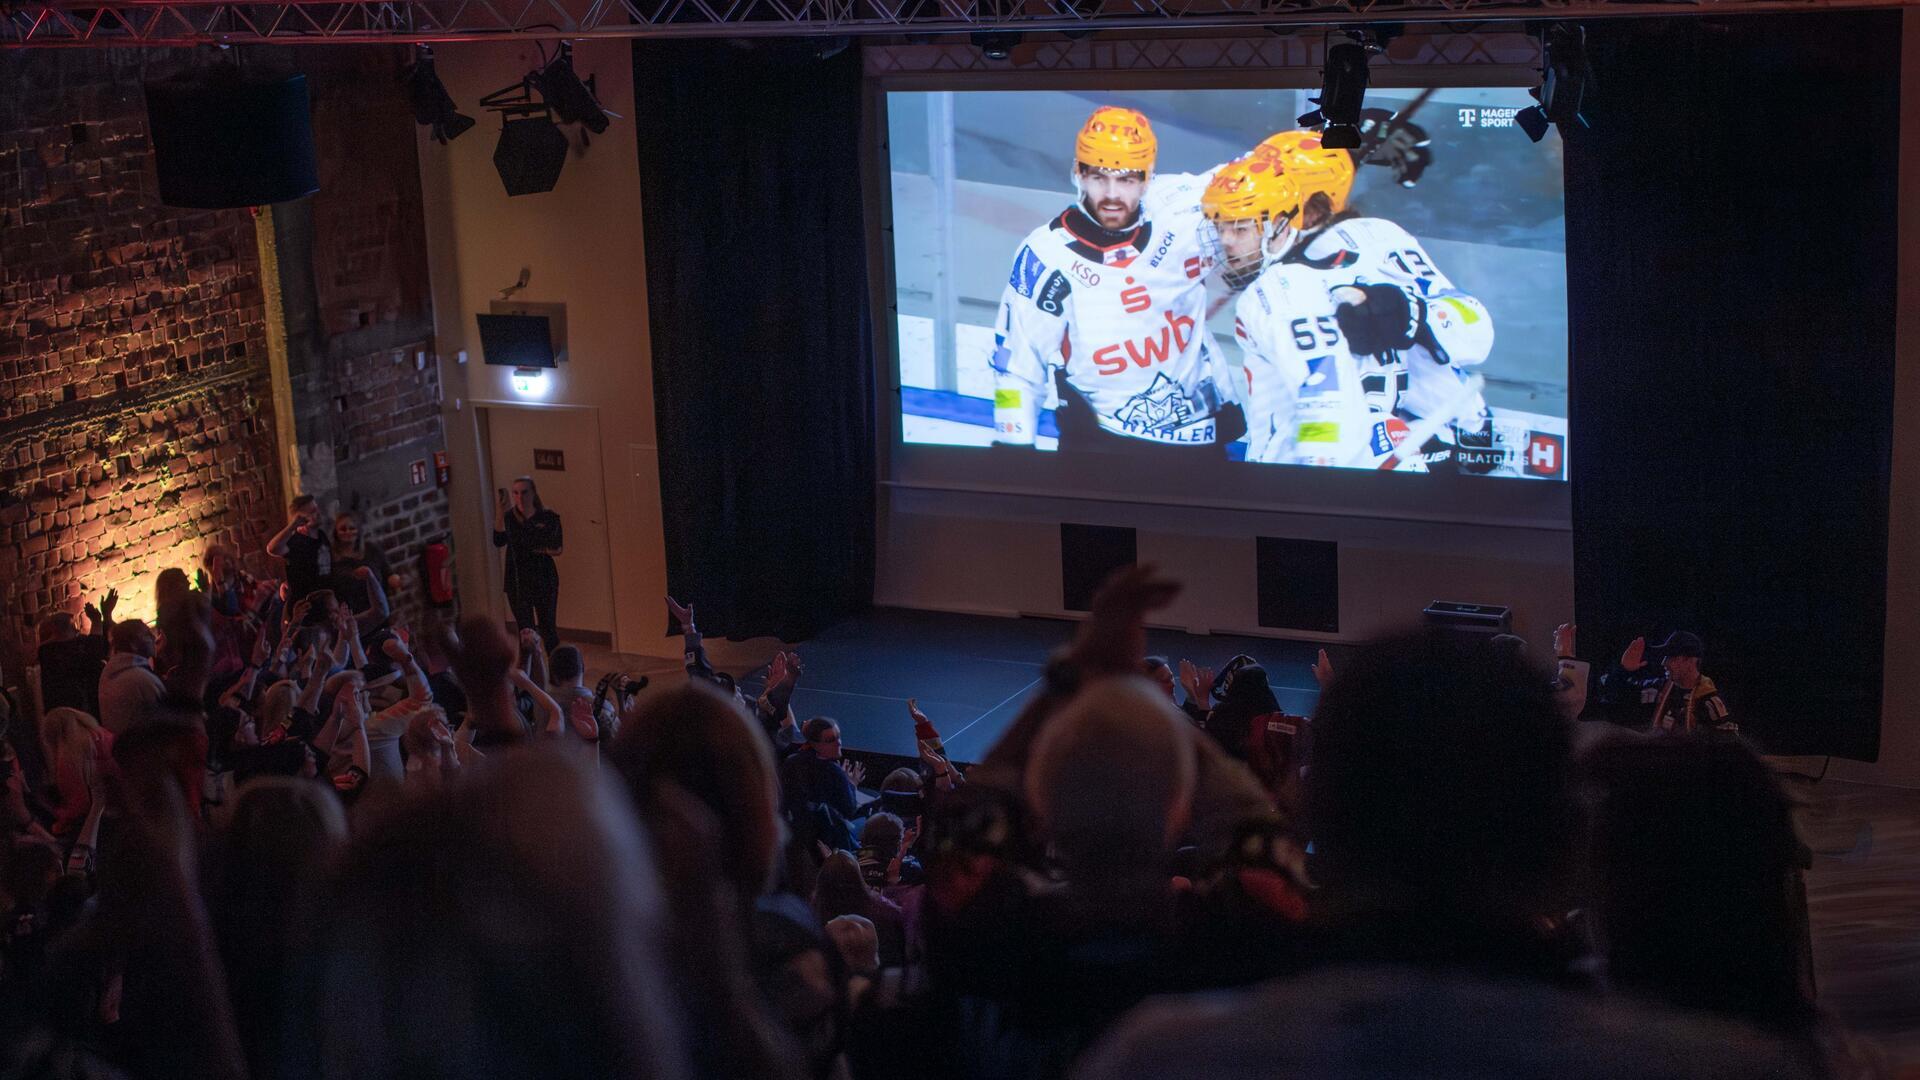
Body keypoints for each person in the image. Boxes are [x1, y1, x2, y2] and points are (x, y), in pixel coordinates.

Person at [989, 106, 1243, 457]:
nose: (1111, 194)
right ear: (1077, 173)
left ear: (1147, 177)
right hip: (1101, 447)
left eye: (1126, 179)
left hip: (1198, 441)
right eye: (1098, 177)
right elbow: (1018, 364)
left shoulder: (1182, 207)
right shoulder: (1046, 254)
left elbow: (1269, 170)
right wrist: (1012, 448)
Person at [1256, 129, 1499, 474]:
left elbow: (1475, 333)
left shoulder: (1371, 239)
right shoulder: (1271, 255)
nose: (1261, 198)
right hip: (1340, 448)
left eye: (1274, 187)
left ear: (1311, 205)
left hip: (1427, 439)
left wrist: (1413, 312)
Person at [1201, 148, 1376, 468]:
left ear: (1280, 225)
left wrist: (1317, 471)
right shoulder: (1320, 267)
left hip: (1292, 472)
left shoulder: (1277, 291)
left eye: (1240, 229)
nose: (1226, 242)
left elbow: (1323, 391)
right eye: (1220, 227)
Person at [1601, 631, 1734, 735]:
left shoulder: (1709, 702)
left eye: (1672, 657)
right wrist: (1624, 670)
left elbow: (1727, 746)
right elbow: (1616, 697)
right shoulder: (1659, 689)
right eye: (1665, 657)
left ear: (1691, 661)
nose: (1664, 662)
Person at [493, 475, 563, 654]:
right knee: (526, 633)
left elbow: (557, 547)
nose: (520, 497)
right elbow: (498, 540)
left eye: (524, 492)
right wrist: (501, 511)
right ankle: (531, 674)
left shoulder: (548, 517)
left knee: (548, 629)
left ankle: (556, 674)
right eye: (516, 493)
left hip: (543, 580)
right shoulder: (510, 518)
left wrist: (540, 548)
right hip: (517, 582)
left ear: (533, 493)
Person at [35, 592, 112, 716]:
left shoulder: (45, 651)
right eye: (74, 627)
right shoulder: (61, 651)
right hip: (83, 712)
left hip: (57, 713)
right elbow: (95, 651)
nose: (78, 630)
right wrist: (98, 619)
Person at [97, 618, 166, 735]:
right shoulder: (140, 680)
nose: (154, 638)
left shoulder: (113, 672)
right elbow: (166, 721)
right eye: (147, 635)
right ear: (133, 644)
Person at [329, 510, 400, 621]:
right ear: (336, 532)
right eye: (343, 529)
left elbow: (388, 573)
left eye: (352, 528)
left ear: (358, 531)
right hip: (353, 618)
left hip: (379, 613)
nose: (348, 532)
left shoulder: (371, 550)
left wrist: (397, 580)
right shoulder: (331, 558)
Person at [266, 494, 333, 602]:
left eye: (317, 509)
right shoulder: (296, 541)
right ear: (301, 518)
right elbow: (272, 549)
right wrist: (293, 526)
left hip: (326, 599)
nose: (318, 513)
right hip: (306, 604)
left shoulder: (322, 535)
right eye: (312, 511)